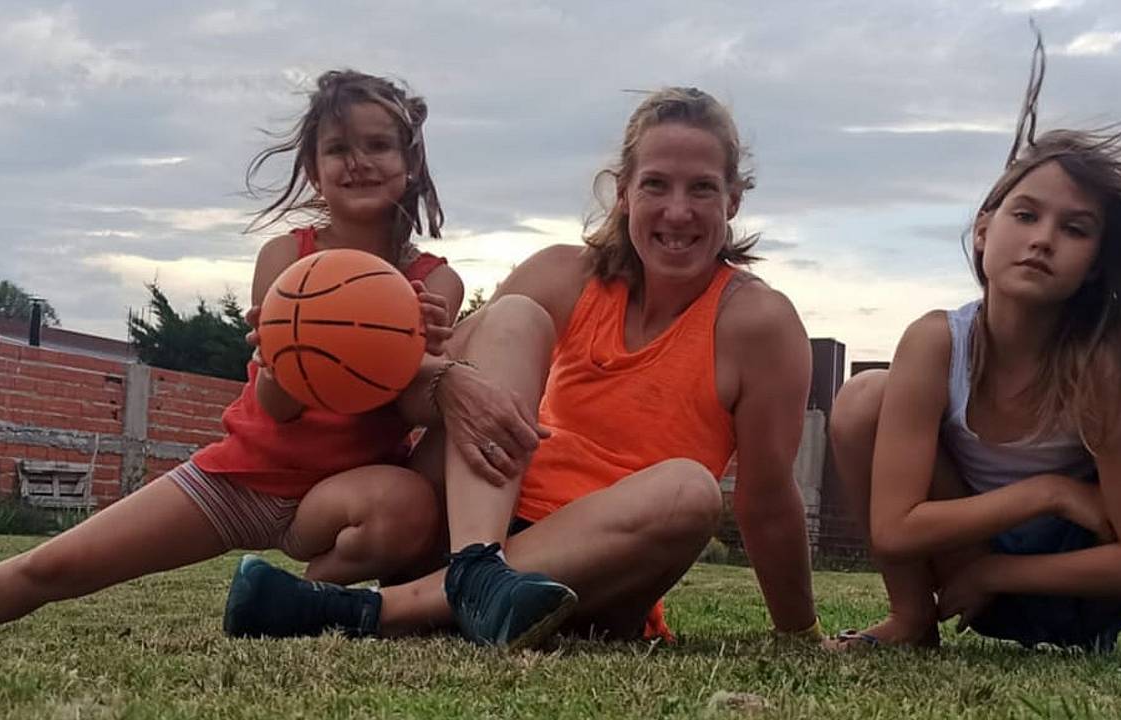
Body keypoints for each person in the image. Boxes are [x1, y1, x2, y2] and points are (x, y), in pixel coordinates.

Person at [222, 86, 822, 649]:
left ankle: (374, 611)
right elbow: (415, 392)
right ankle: (477, 571)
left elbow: (767, 500)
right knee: (512, 317)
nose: (677, 211)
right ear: (622, 192)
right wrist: (441, 375)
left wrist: (800, 635)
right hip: (475, 521)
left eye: (702, 189)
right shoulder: (563, 273)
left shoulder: (757, 321)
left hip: (595, 571)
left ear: (733, 199)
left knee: (691, 491)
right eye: (656, 185)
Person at [0, 69, 464, 636]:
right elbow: (276, 406)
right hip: (241, 476)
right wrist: (289, 354)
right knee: (52, 566)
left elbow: (415, 404)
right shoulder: (287, 258)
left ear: (411, 164)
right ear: (313, 171)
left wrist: (414, 344)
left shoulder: (436, 283)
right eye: (337, 149)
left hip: (346, 496)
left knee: (408, 506)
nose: (358, 162)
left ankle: (295, 602)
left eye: (377, 145)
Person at [826, 40, 1121, 663]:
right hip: (963, 586)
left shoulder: (1102, 365)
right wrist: (1047, 490)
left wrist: (997, 572)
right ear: (984, 229)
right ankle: (911, 616)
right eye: (1026, 215)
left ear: (1096, 264)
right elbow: (893, 526)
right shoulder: (938, 341)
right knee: (864, 397)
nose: (1043, 240)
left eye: (1074, 229)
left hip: (1085, 587)